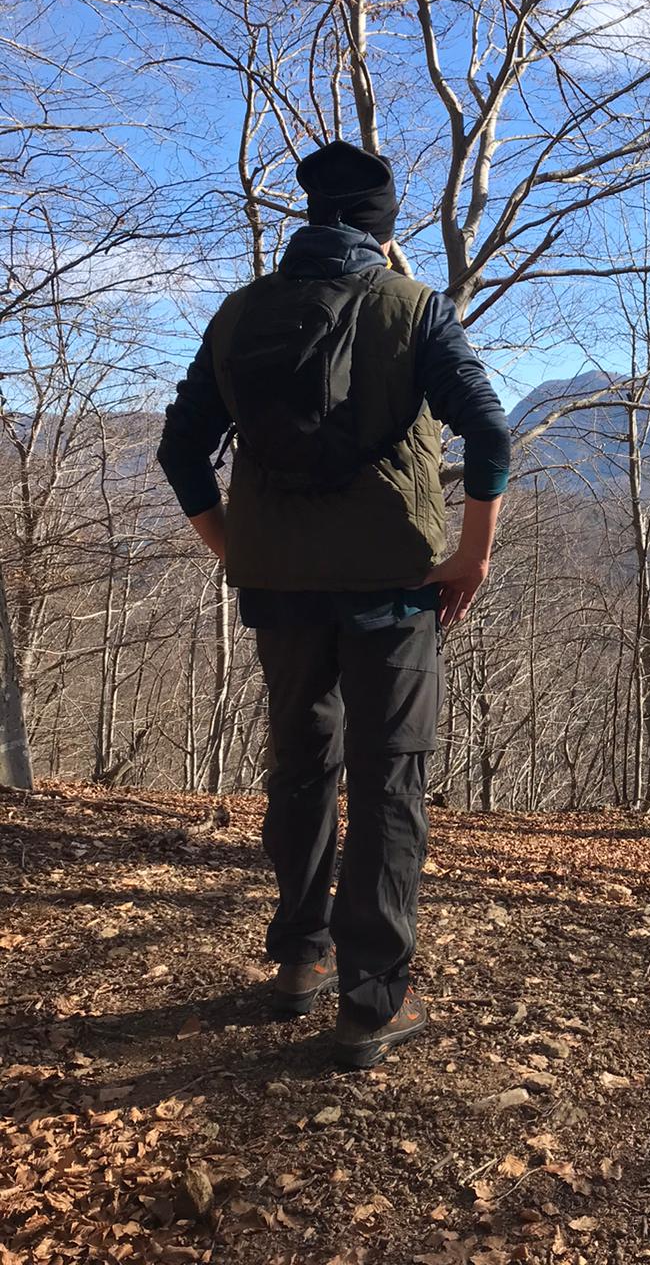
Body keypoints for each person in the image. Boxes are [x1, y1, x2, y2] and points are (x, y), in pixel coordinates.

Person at [157, 140, 509, 1069]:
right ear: (386, 228)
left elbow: (180, 451)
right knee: (388, 777)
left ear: (309, 221)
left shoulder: (241, 316)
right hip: (390, 586)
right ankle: (370, 1003)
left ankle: (299, 959)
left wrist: (239, 549)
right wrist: (470, 554)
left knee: (303, 765)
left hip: (279, 589)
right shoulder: (411, 308)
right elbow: (490, 427)